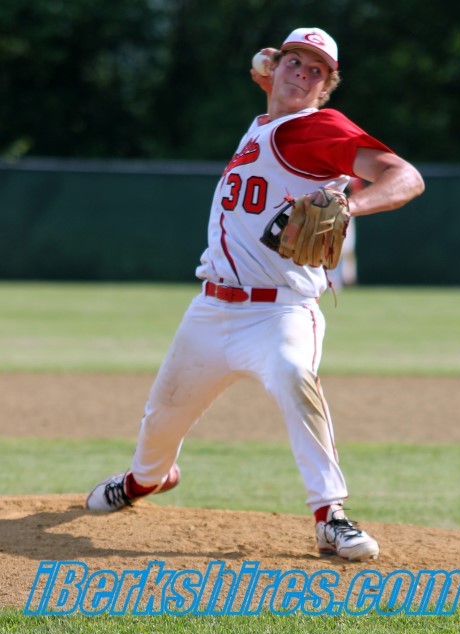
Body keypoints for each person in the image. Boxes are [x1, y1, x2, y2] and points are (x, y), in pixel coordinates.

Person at [86, 27, 424, 562]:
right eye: (294, 62)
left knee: (294, 376)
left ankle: (330, 517)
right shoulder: (269, 123)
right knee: (161, 418)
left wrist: (350, 207)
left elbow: (406, 177)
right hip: (210, 310)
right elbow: (271, 75)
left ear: (326, 89)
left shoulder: (318, 127)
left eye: (316, 72)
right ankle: (144, 481)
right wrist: (270, 66)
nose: (302, 74)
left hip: (280, 312)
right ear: (276, 69)